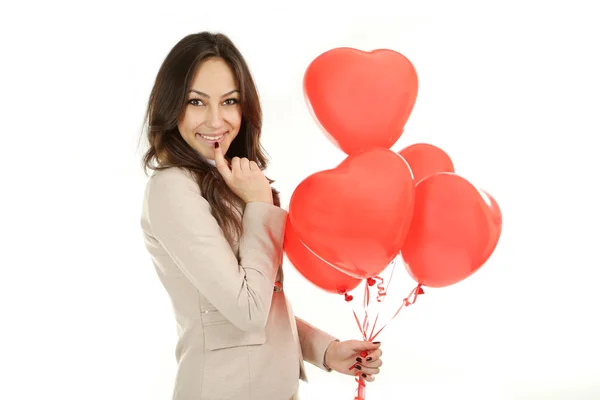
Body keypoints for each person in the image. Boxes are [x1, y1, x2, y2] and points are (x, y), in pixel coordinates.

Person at [139, 31, 383, 400]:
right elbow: (247, 311)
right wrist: (259, 205)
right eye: (197, 102)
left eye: (230, 101)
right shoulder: (173, 189)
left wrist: (326, 350)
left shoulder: (225, 181)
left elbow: (259, 304)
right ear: (172, 105)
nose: (216, 120)